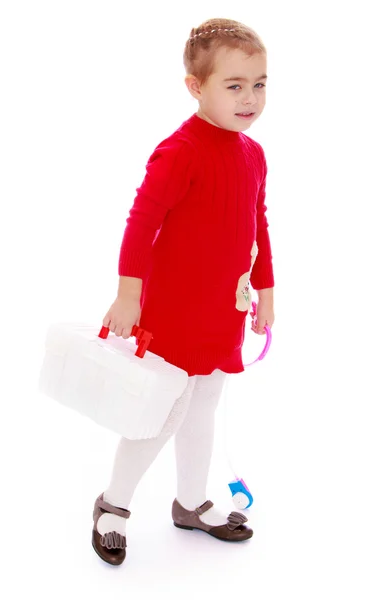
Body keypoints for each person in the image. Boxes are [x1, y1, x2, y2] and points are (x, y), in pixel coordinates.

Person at [92, 17, 275, 566]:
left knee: (206, 402)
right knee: (161, 411)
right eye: (234, 85)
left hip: (223, 310)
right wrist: (128, 295)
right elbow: (141, 221)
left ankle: (191, 502)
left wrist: (265, 291)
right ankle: (113, 505)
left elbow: (257, 225)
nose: (250, 98)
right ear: (197, 87)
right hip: (174, 312)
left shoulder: (252, 154)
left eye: (260, 83)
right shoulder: (182, 150)